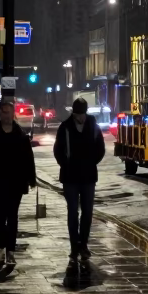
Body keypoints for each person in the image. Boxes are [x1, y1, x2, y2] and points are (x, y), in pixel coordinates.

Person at [0, 97, 36, 266]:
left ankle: (10, 250)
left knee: (13, 216)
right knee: (1, 215)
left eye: (8, 112)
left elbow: (28, 159)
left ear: (13, 113)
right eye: (3, 112)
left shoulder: (20, 135)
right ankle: (1, 247)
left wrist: (31, 179)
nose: (6, 116)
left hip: (16, 182)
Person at [53, 97, 105, 261]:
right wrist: (65, 164)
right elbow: (58, 150)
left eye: (82, 114)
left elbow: (100, 148)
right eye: (78, 114)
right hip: (70, 177)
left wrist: (91, 163)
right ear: (73, 113)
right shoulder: (65, 127)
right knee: (73, 212)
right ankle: (74, 246)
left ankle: (84, 244)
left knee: (88, 212)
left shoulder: (92, 125)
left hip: (89, 176)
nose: (81, 118)